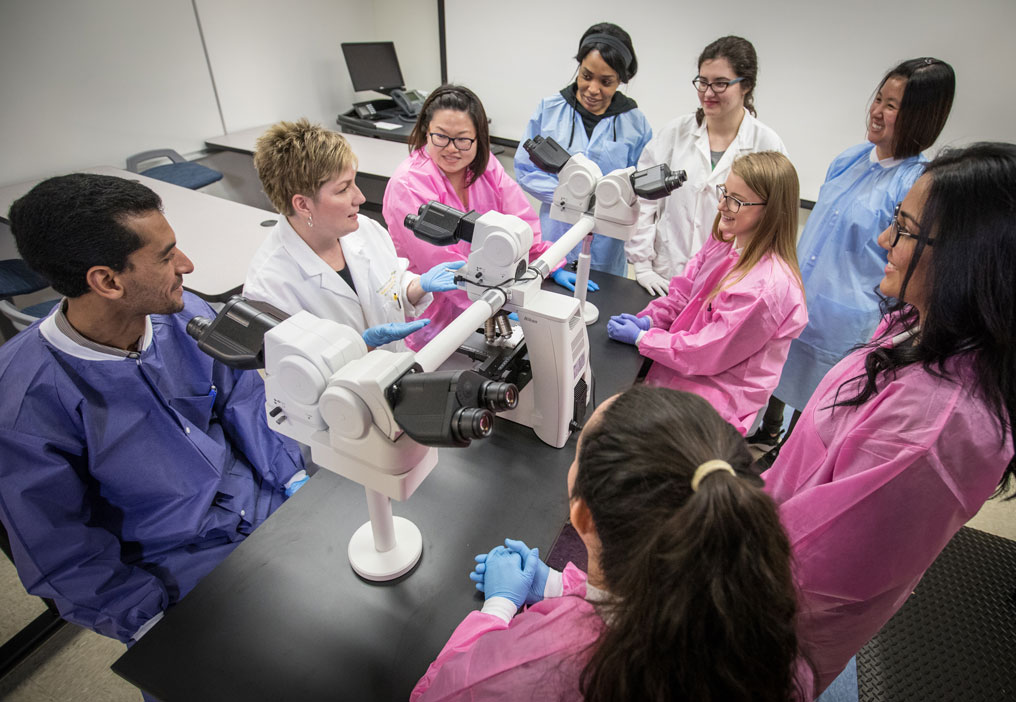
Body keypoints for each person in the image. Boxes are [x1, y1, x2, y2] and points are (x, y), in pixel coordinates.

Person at [0, 174, 306, 643]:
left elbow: (243, 398)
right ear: (106, 281)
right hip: (174, 566)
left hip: (265, 503)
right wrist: (147, 620)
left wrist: (290, 477)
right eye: (166, 257)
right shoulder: (23, 401)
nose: (186, 264)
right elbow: (59, 546)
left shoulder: (184, 315)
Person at [763, 142, 1016, 699]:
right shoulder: (919, 324)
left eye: (902, 228)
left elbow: (806, 573)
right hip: (761, 543)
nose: (883, 241)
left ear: (969, 256)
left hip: (764, 627)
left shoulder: (932, 429)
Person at [411, 386, 804, 701]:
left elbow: (437, 693)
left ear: (582, 517)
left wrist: (497, 610)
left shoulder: (525, 676)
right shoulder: (762, 635)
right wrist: (553, 586)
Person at [752, 58, 955, 451]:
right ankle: (769, 429)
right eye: (879, 98)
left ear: (920, 117)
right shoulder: (849, 159)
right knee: (780, 369)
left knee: (821, 403)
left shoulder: (914, 184)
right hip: (800, 299)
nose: (877, 112)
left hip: (849, 319)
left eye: (892, 106)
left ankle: (786, 453)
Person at [606, 151, 806, 435]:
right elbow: (686, 291)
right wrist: (653, 320)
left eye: (736, 200)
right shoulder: (727, 240)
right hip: (682, 370)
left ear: (770, 210)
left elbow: (710, 350)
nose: (722, 204)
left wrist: (645, 339)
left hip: (714, 404)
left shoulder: (766, 287)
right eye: (725, 192)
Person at [244, 119, 462, 351]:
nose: (360, 198)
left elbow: (389, 283)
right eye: (343, 189)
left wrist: (416, 286)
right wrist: (361, 345)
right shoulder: (269, 288)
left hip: (396, 370)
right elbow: (301, 373)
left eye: (354, 183)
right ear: (303, 205)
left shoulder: (364, 229)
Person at [383, 85, 564, 350]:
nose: (452, 149)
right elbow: (439, 261)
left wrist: (547, 263)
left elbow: (520, 220)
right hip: (431, 310)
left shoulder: (484, 166)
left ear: (479, 137)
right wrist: (496, 300)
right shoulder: (408, 185)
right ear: (425, 131)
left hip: (485, 299)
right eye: (441, 137)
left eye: (463, 139)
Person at [626, 35, 787, 294]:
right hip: (665, 277)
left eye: (721, 84)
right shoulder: (674, 134)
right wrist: (642, 265)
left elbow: (774, 224)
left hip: (729, 286)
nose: (708, 93)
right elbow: (644, 201)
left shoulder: (766, 144)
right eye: (703, 82)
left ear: (745, 85)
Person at [515, 22, 653, 278]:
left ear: (621, 80)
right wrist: (573, 198)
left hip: (607, 247)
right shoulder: (550, 110)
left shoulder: (635, 123)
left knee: (602, 305)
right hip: (556, 236)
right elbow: (525, 168)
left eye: (606, 82)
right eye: (586, 76)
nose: (592, 89)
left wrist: (606, 204)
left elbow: (640, 187)